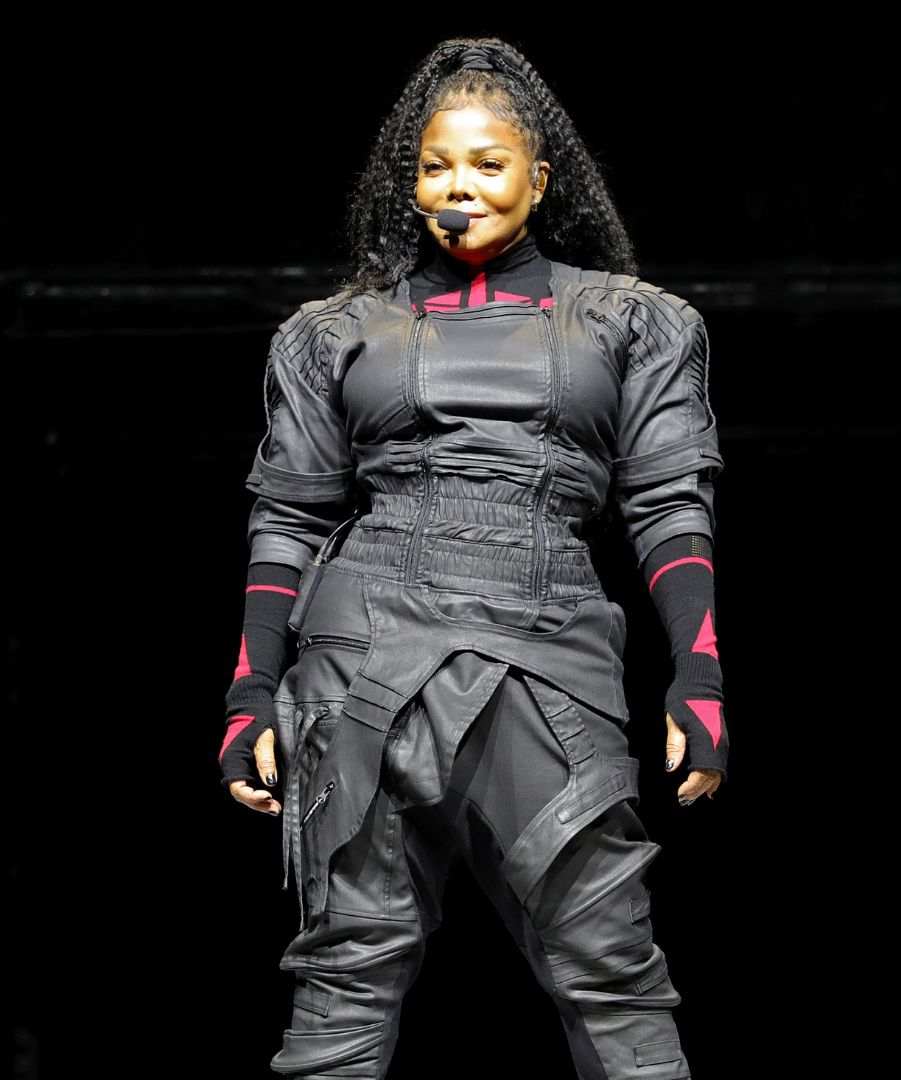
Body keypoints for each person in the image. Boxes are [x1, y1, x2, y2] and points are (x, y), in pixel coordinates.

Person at [216, 39, 724, 1079]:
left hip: (549, 654)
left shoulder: (634, 321)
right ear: (410, 182)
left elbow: (670, 503)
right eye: (439, 165)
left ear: (539, 178)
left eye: (489, 165)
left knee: (613, 968)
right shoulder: (333, 331)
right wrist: (247, 692)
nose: (462, 187)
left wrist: (700, 675)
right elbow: (289, 515)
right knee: (345, 974)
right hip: (363, 657)